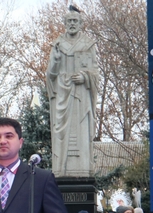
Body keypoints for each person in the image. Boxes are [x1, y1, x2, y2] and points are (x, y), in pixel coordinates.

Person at [46, 6, 99, 178]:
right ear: (64, 23)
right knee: (60, 131)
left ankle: (83, 169)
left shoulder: (88, 44)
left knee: (82, 131)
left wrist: (85, 78)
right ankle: (61, 169)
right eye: (69, 21)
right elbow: (50, 75)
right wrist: (55, 61)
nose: (72, 24)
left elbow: (95, 73)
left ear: (81, 23)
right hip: (62, 94)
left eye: (75, 21)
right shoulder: (58, 44)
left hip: (81, 97)